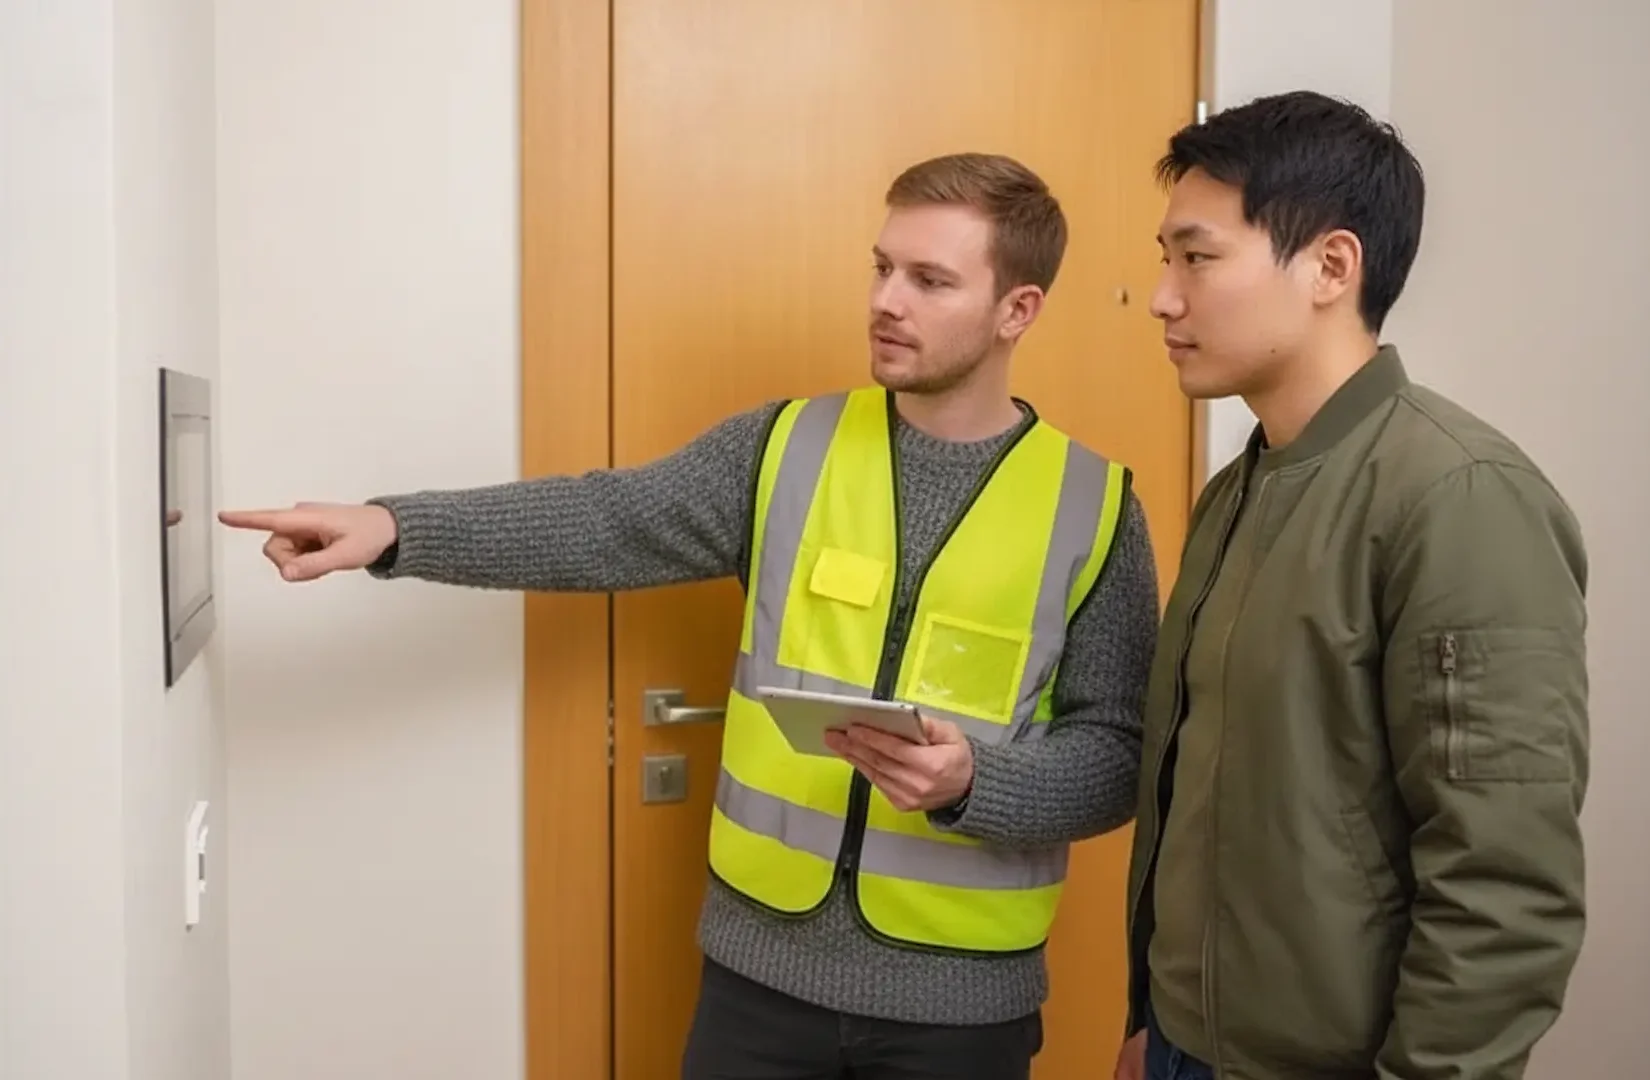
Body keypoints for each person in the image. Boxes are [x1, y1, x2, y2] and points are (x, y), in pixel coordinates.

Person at [222, 152, 1162, 1080]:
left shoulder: (1095, 507)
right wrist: (395, 529)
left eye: (929, 280)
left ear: (1018, 310)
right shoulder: (782, 449)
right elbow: (604, 521)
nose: (886, 300)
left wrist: (972, 785)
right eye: (881, 267)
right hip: (758, 991)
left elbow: (1119, 755)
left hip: (962, 1017)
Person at [1114, 91, 1589, 1080]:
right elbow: (1192, 797)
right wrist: (1150, 1020)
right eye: (1168, 259)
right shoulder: (1238, 490)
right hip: (1182, 1048)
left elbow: (1504, 884)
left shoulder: (1459, 498)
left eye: (1196, 258)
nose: (1163, 296)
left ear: (1332, 265)